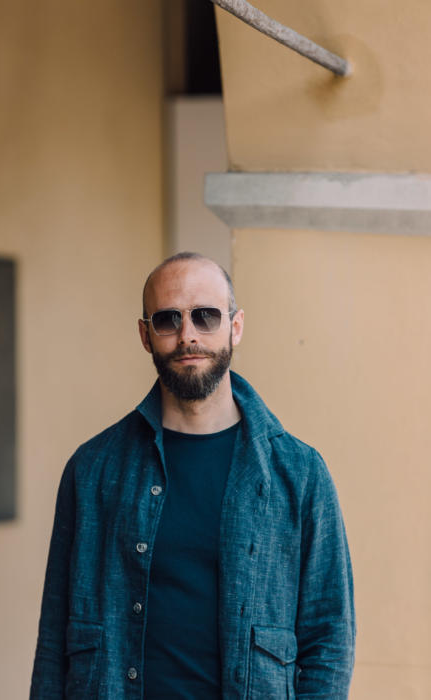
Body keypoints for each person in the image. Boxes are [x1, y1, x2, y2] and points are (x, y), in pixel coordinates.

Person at [30, 251, 355, 699]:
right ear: (146, 335)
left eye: (205, 317)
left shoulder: (299, 474)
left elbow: (329, 640)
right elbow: (53, 640)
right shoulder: (92, 470)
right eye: (168, 320)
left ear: (235, 326)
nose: (188, 336)